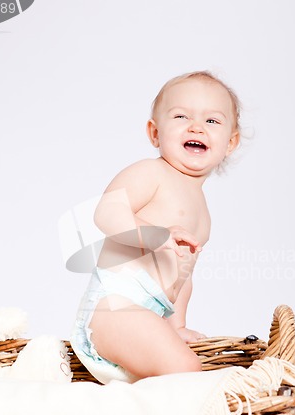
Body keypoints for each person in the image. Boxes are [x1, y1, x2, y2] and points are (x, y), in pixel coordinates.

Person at [71, 71, 241, 384]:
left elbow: (183, 277)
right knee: (187, 370)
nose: (196, 127)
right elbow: (107, 213)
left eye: (212, 121)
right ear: (154, 133)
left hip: (150, 315)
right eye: (181, 116)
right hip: (115, 309)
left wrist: (177, 327)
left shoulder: (202, 210)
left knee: (181, 367)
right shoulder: (152, 173)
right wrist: (156, 234)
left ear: (230, 142)